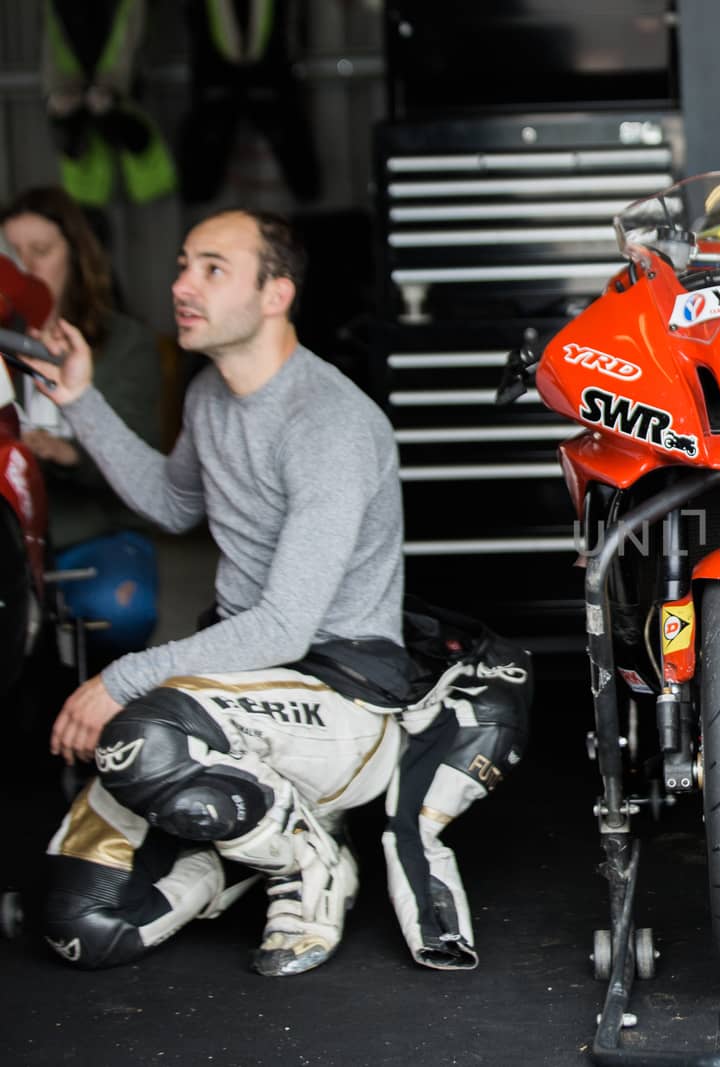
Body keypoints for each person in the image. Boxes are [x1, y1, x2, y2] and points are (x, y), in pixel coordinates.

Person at [19, 208, 487, 977]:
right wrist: (81, 399)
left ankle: (307, 859)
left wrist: (121, 676)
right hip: (246, 691)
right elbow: (175, 505)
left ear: (276, 294)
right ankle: (232, 855)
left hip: (343, 701)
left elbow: (284, 625)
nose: (181, 286)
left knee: (137, 729)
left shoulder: (329, 420)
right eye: (181, 265)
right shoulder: (209, 395)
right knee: (79, 922)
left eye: (212, 268)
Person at [2, 187, 164, 653]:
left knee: (119, 610)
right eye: (11, 254)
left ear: (76, 257)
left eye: (41, 251)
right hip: (10, 534)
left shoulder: (127, 342)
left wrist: (66, 453)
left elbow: (146, 463)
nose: (25, 267)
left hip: (95, 530)